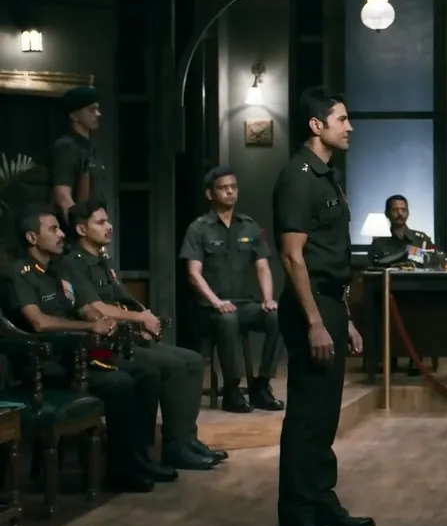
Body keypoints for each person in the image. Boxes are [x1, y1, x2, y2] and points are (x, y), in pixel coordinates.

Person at [272, 85, 373, 526]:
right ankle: (297, 517)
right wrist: (315, 322)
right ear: (317, 125)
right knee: (308, 416)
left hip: (329, 302)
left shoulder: (327, 176)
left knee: (326, 414)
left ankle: (321, 500)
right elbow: (293, 257)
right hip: (308, 305)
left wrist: (342, 316)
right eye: (342, 119)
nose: (350, 127)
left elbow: (334, 260)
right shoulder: (299, 178)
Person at [58, 199, 225, 471]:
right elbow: (96, 308)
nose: (109, 226)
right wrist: (140, 319)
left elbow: (125, 299)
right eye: (101, 222)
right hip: (103, 346)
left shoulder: (103, 260)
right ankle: (171, 448)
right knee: (173, 366)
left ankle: (185, 440)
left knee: (193, 361)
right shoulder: (72, 264)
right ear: (81, 229)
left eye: (108, 220)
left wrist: (147, 317)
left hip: (128, 338)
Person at [3, 207, 162, 492]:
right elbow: (39, 323)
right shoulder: (20, 273)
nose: (61, 234)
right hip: (46, 364)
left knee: (146, 373)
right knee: (118, 384)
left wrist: (98, 318)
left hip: (77, 355)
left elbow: (82, 305)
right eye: (53, 229)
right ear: (32, 237)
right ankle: (121, 467)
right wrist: (89, 327)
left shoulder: (58, 269)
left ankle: (140, 458)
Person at [178, 167, 285, 413]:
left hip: (243, 304)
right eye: (223, 188)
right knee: (228, 319)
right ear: (210, 194)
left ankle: (262, 385)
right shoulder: (198, 228)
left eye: (233, 187)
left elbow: (262, 267)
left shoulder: (249, 226)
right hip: (208, 309)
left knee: (277, 316)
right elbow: (193, 274)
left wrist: (268, 298)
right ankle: (232, 389)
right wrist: (216, 302)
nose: (230, 192)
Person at [49, 86, 105, 232]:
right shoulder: (66, 147)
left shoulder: (90, 147)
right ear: (74, 116)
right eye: (91, 110)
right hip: (80, 231)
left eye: (98, 109)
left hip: (95, 226)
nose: (98, 114)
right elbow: (63, 196)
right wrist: (81, 228)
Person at [368, 194, 435, 266]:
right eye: (395, 210)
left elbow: (435, 264)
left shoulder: (421, 240)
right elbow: (371, 268)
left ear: (408, 213)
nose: (400, 214)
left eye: (403, 210)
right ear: (387, 213)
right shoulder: (379, 243)